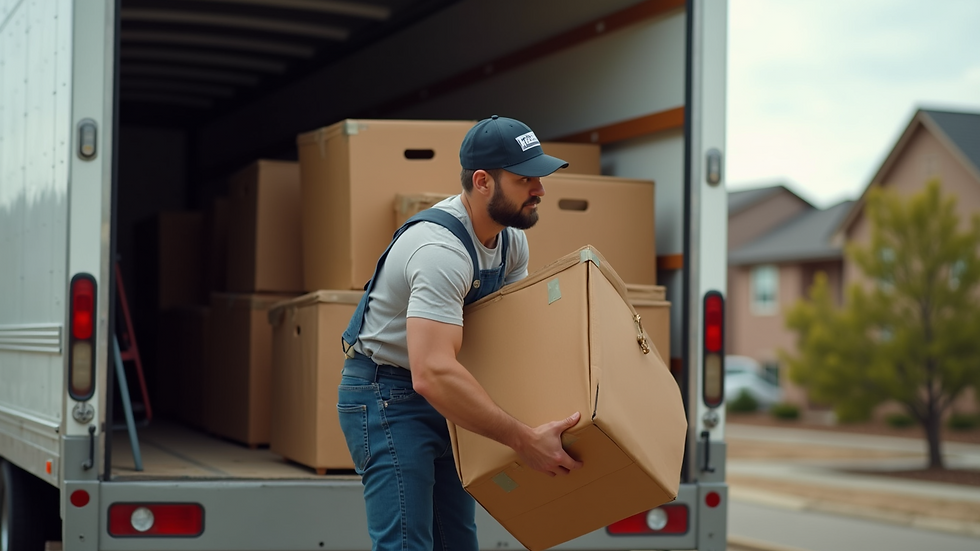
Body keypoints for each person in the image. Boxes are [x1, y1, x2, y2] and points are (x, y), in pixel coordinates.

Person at [338, 115, 584, 551]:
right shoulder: (440, 251)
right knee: (406, 545)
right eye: (527, 178)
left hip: (451, 388)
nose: (540, 190)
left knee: (456, 542)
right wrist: (524, 440)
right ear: (484, 181)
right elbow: (431, 373)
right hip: (387, 395)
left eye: (541, 177)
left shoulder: (510, 242)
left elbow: (507, 340)